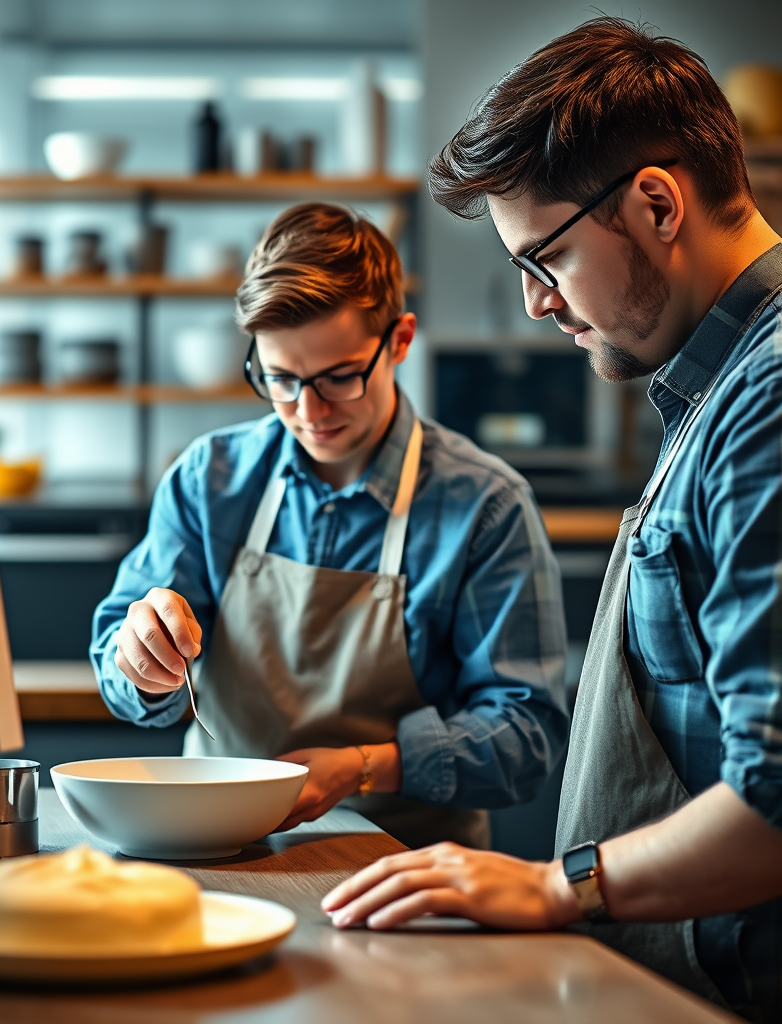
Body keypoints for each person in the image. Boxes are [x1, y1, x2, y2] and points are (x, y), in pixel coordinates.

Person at [321, 19, 782, 1023]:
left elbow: (777, 796)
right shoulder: (713, 394)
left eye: (546, 260)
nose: (534, 304)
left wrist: (551, 882)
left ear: (657, 204)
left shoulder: (770, 404)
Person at [91, 202, 569, 849]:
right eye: (280, 379)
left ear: (400, 340)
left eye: (339, 378)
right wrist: (139, 661)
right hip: (217, 851)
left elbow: (527, 738)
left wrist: (366, 767)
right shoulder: (211, 478)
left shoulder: (486, 504)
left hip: (405, 872)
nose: (308, 411)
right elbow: (121, 674)